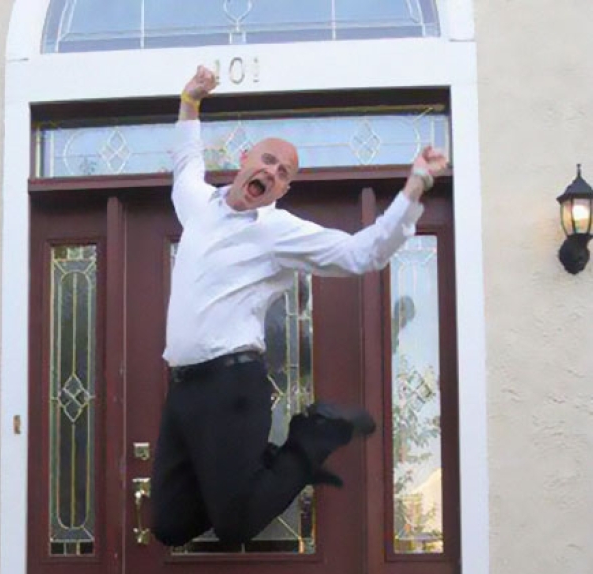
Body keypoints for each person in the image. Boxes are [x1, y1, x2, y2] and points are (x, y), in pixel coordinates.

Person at [151, 66, 448, 548]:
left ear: (283, 190)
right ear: (244, 158)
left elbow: (362, 253)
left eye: (282, 173)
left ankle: (313, 436)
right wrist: (190, 100)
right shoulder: (197, 204)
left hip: (232, 385)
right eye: (267, 161)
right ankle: (264, 467)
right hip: (183, 389)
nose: (271, 172)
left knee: (235, 525)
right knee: (168, 525)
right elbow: (186, 160)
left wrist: (414, 188)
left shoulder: (277, 231)